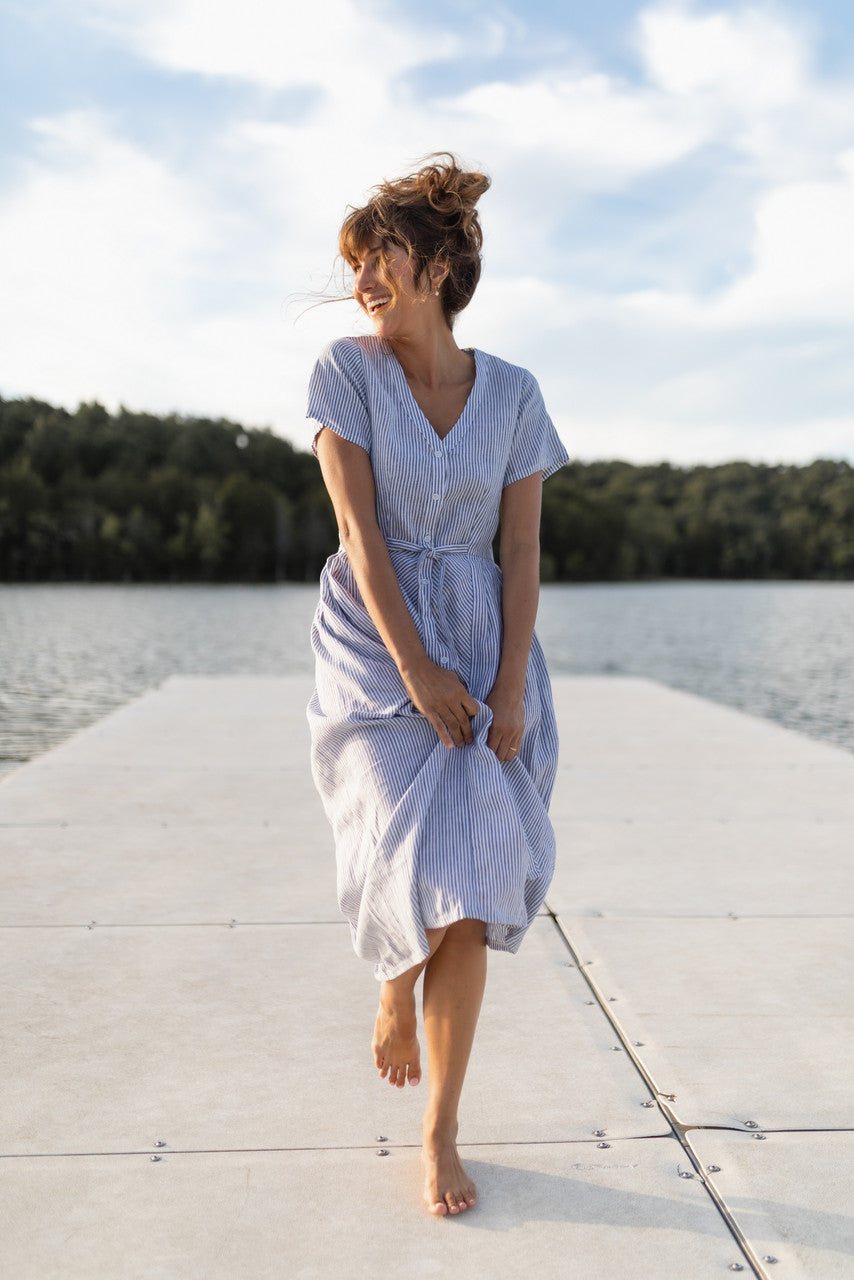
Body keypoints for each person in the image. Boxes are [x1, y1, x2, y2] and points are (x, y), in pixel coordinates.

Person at [306, 154, 569, 1217]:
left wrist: (506, 685)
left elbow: (519, 549)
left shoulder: (514, 393)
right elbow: (359, 533)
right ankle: (390, 981)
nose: (364, 276)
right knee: (399, 837)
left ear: (442, 264)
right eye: (356, 261)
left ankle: (439, 1132)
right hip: (374, 640)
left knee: (468, 888)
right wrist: (414, 667)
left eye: (384, 256)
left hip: (482, 632)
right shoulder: (344, 370)